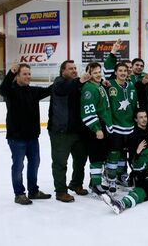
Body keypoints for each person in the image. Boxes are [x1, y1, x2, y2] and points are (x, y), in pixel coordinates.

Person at [0, 63, 52, 205]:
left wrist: (70, 80)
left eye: (29, 73)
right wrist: (11, 72)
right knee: (18, 166)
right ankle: (19, 194)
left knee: (34, 163)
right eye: (25, 74)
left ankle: (33, 191)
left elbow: (50, 90)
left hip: (33, 137)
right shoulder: (11, 91)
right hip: (16, 138)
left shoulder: (33, 91)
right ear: (17, 76)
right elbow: (2, 89)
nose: (28, 76)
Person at [48, 60, 90, 202]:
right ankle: (60, 191)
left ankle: (76, 184)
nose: (74, 70)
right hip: (61, 132)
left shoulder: (77, 84)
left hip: (77, 131)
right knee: (60, 163)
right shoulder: (59, 83)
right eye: (70, 68)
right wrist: (80, 80)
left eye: (75, 68)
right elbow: (65, 88)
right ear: (63, 71)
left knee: (80, 160)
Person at [81, 62, 113, 195]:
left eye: (99, 71)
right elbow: (88, 111)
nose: (98, 74)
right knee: (96, 157)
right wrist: (96, 129)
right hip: (96, 128)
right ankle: (95, 185)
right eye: (94, 72)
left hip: (104, 126)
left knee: (101, 156)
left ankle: (95, 182)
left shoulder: (98, 86)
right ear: (89, 74)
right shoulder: (89, 89)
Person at [105, 62, 138, 190]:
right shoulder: (109, 84)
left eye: (125, 70)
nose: (123, 73)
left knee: (124, 155)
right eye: (120, 71)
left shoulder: (131, 86)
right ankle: (111, 179)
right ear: (115, 72)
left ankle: (121, 176)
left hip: (129, 128)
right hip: (115, 127)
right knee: (114, 154)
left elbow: (134, 105)